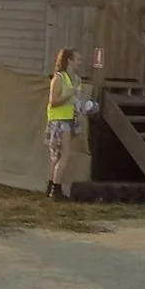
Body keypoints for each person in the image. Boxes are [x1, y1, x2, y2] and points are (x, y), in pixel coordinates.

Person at [45, 48, 80, 199]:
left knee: (58, 156)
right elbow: (53, 101)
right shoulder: (58, 78)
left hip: (70, 118)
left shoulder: (76, 79)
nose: (80, 62)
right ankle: (56, 190)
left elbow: (75, 100)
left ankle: (51, 186)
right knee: (64, 155)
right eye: (77, 59)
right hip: (59, 120)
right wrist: (68, 94)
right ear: (69, 60)